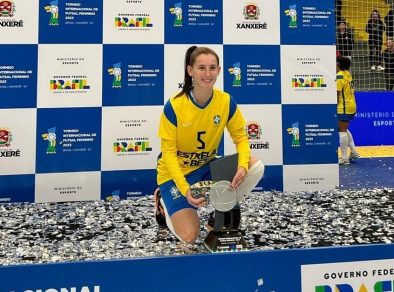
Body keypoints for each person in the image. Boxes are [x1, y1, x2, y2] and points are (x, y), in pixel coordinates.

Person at [154, 46, 265, 243]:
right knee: (189, 236)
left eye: (212, 68)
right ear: (190, 71)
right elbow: (168, 154)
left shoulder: (226, 101)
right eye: (201, 68)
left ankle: (218, 213)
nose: (208, 74)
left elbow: (241, 138)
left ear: (219, 71)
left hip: (207, 167)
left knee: (254, 166)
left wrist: (241, 166)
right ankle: (163, 201)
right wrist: (185, 189)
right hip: (175, 175)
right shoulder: (174, 106)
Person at [336, 56, 360, 165]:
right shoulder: (347, 73)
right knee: (342, 128)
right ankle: (354, 151)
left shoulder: (340, 76)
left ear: (338, 64)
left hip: (344, 106)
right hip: (351, 104)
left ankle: (344, 157)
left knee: (342, 130)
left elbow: (336, 93)